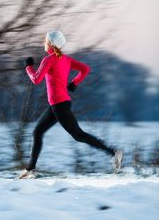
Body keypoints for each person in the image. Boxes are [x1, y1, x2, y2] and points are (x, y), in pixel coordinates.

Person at [18, 30, 123, 179]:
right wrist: (74, 83)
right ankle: (30, 170)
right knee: (37, 132)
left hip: (59, 105)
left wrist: (28, 67)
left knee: (78, 135)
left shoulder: (49, 60)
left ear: (51, 44)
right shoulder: (65, 59)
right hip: (58, 104)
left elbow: (36, 79)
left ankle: (113, 153)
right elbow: (85, 69)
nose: (43, 42)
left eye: (45, 40)